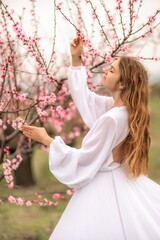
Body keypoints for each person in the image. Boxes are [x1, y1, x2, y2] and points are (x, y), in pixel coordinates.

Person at [22, 38, 160, 240]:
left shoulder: (112, 119)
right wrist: (76, 60)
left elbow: (86, 160)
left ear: (122, 83)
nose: (105, 71)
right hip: (120, 180)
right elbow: (85, 99)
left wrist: (48, 140)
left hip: (102, 187)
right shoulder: (122, 111)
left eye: (111, 71)